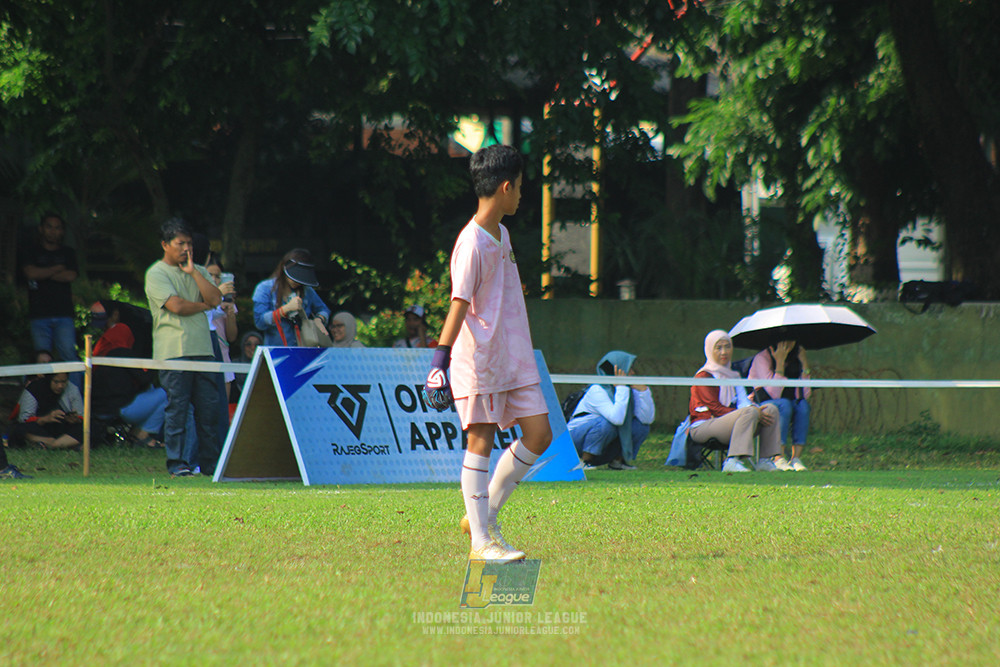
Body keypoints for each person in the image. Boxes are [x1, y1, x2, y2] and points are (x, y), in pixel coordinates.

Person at [423, 144, 551, 563]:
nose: (521, 197)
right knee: (480, 441)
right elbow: (458, 304)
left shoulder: (503, 233)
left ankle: (483, 516)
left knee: (540, 434)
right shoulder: (471, 242)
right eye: (520, 189)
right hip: (479, 360)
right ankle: (482, 541)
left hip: (514, 357)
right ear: (506, 186)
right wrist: (438, 363)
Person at [144, 218, 223, 477]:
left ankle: (211, 465)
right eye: (180, 243)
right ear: (165, 244)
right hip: (173, 351)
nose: (186, 248)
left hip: (203, 349)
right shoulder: (156, 273)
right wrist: (203, 307)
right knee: (177, 409)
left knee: (209, 410)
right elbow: (176, 306)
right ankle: (177, 464)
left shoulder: (196, 269)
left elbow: (215, 298)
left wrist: (194, 273)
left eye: (189, 243)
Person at [688, 330, 784, 473]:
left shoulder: (734, 375)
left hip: (733, 422)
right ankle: (732, 461)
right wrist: (750, 411)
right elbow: (715, 408)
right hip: (704, 426)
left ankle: (765, 460)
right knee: (749, 412)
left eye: (727, 347)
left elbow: (743, 402)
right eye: (718, 348)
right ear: (709, 349)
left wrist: (756, 410)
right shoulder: (704, 376)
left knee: (770, 409)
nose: (724, 352)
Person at [567, 350, 655, 470]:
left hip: (601, 444)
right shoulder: (597, 389)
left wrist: (644, 392)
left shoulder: (628, 390)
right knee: (607, 423)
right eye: (629, 370)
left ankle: (618, 461)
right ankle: (584, 461)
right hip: (574, 443)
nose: (633, 373)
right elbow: (617, 419)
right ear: (616, 371)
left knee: (641, 427)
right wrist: (621, 387)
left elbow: (647, 419)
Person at [20, 212, 80, 382]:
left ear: (62, 231)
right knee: (42, 358)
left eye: (57, 228)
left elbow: (70, 276)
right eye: (49, 227)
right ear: (41, 229)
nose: (53, 231)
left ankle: (76, 400)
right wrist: (56, 269)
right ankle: (40, 398)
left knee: (69, 355)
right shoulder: (31, 250)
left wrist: (42, 273)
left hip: (64, 314)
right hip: (39, 314)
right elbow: (30, 273)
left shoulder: (68, 252)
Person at [91, 322, 168, 448]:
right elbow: (144, 379)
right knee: (167, 393)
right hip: (121, 408)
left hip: (101, 407)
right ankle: (142, 434)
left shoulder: (101, 355)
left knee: (150, 390)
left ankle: (138, 433)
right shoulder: (123, 353)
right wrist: (156, 365)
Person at [748, 340, 811, 471]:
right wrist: (780, 363)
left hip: (787, 402)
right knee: (784, 405)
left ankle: (796, 458)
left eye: (791, 340)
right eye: (783, 340)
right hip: (762, 402)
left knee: (803, 406)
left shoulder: (795, 358)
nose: (787, 344)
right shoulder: (762, 358)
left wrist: (804, 363)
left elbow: (805, 394)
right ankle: (778, 457)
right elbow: (773, 393)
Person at [252, 249, 331, 347]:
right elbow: (259, 322)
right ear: (284, 268)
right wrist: (285, 309)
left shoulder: (307, 290)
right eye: (294, 276)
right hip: (276, 351)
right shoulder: (264, 288)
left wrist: (319, 319)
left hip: (302, 349)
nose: (297, 281)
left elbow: (324, 309)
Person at [16, 372, 84, 450]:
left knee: (91, 426)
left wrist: (75, 419)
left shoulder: (72, 389)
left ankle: (53, 444)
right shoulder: (34, 389)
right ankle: (64, 444)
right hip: (41, 428)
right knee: (20, 429)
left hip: (64, 429)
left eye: (64, 382)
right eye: (56, 382)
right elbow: (24, 418)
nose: (60, 386)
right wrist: (45, 419)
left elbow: (80, 415)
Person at [230, 330, 263, 403]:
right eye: (248, 344)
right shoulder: (234, 365)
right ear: (243, 346)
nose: (253, 347)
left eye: (257, 345)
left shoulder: (265, 367)